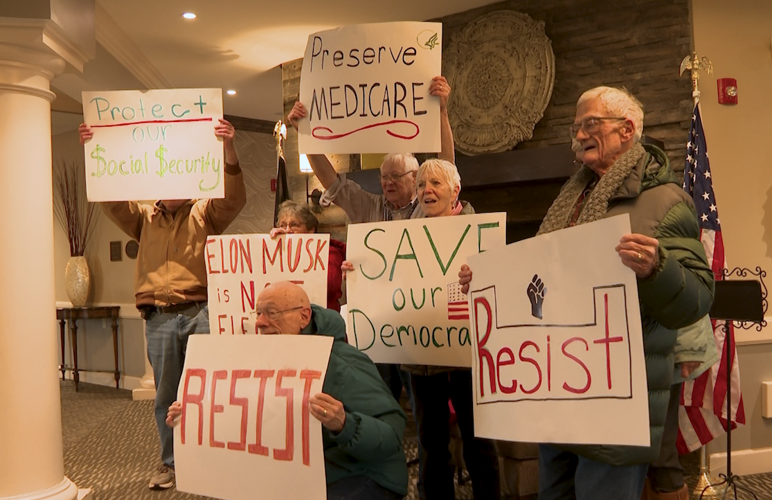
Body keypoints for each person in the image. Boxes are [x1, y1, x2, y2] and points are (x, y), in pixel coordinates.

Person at [459, 86, 714, 500]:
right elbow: (542, 281)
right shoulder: (570, 198)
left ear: (627, 129)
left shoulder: (666, 201)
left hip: (614, 405)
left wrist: (658, 269)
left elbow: (699, 298)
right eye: (575, 127)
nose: (578, 135)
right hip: (556, 395)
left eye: (589, 124)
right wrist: (490, 283)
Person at [288, 75, 455, 498]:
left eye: (395, 177)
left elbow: (449, 168)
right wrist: (303, 132)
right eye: (383, 177)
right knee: (376, 411)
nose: (387, 184)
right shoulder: (368, 206)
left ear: (416, 178)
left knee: (425, 421)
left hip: (420, 333)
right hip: (373, 331)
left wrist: (443, 113)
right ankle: (383, 478)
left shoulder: (431, 208)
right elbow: (331, 180)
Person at [79, 120, 247, 489]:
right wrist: (95, 149)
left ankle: (212, 460)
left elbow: (234, 198)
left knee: (208, 390)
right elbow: (110, 198)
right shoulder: (143, 218)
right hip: (158, 317)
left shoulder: (206, 213)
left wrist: (228, 148)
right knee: (166, 395)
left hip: (202, 312)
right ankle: (171, 463)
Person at [167, 281, 408, 500]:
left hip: (360, 473)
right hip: (294, 475)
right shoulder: (254, 359)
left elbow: (392, 433)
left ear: (304, 317)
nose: (260, 322)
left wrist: (345, 424)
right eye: (258, 313)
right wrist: (194, 415)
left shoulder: (341, 361)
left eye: (272, 313)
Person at [396, 158, 501, 500]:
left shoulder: (481, 234)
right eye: (422, 184)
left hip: (468, 356)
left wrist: (483, 275)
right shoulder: (402, 239)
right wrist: (361, 269)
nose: (427, 190)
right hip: (422, 357)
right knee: (430, 445)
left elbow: (502, 285)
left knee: (478, 442)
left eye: (436, 184)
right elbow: (388, 281)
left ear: (456, 190)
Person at [270, 200, 346, 311]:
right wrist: (272, 245)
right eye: (283, 225)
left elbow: (329, 286)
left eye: (294, 225)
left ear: (311, 229)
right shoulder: (276, 253)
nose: (287, 230)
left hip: (320, 321)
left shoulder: (329, 252)